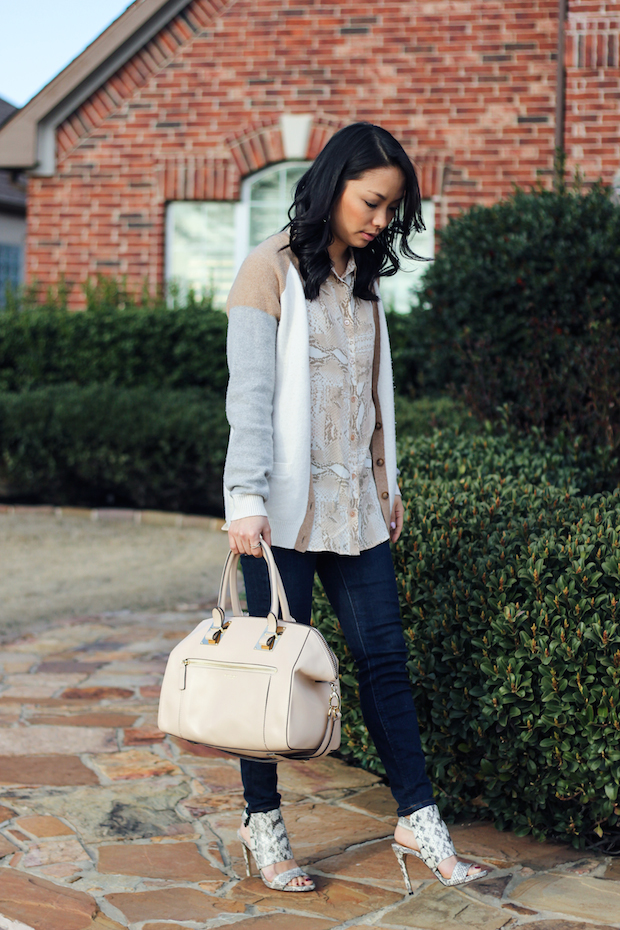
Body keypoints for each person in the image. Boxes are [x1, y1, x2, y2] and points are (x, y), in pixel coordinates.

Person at [223, 122, 488, 894]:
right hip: (281, 514)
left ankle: (418, 817)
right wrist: (244, 500)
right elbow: (250, 400)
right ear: (334, 183)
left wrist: (387, 481)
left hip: (357, 510)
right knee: (268, 677)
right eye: (371, 203)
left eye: (390, 211)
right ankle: (262, 824)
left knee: (385, 666)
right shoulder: (265, 272)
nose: (379, 221)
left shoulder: (363, 282)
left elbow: (375, 398)